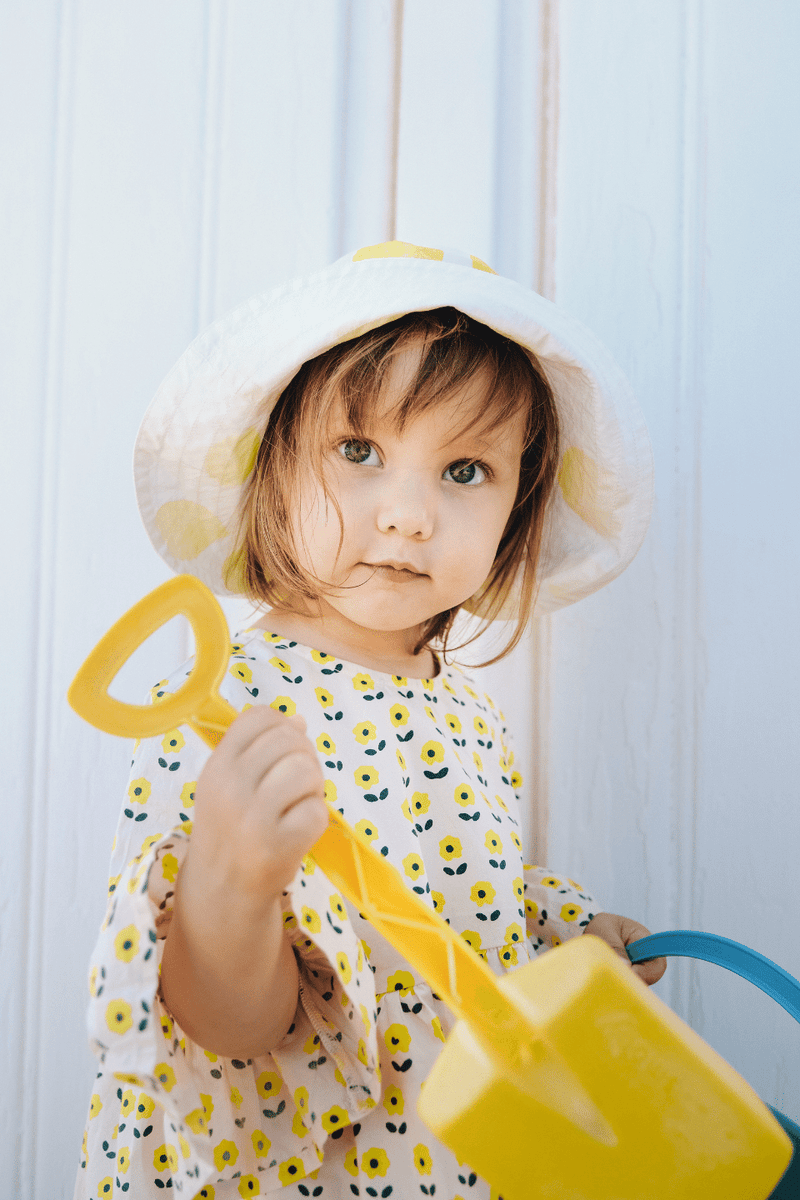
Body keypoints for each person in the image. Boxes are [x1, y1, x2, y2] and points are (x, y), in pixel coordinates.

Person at [75, 241, 666, 1199]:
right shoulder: (226, 707)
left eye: (465, 471)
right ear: (273, 467)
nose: (409, 515)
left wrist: (560, 954)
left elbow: (467, 921)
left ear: (516, 508)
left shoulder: (464, 710)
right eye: (359, 454)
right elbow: (225, 1029)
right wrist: (232, 884)